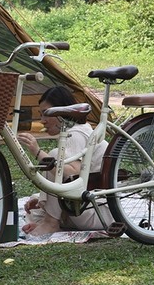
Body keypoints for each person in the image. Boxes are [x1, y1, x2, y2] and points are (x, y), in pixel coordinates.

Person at [16, 86, 112, 236]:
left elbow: (71, 174)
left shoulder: (76, 133)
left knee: (55, 156)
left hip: (97, 211)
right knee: (33, 209)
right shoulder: (79, 129)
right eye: (41, 115)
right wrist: (41, 198)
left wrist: (38, 152)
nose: (42, 121)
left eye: (47, 114)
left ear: (62, 112)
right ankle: (48, 219)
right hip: (85, 205)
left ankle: (51, 222)